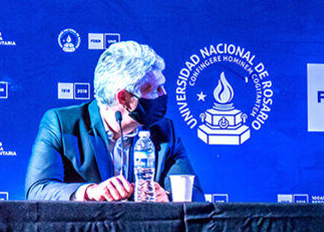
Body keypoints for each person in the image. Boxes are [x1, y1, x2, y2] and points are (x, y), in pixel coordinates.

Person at [25, 40, 203, 202]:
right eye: (154, 89)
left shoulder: (164, 131)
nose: (164, 94)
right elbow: (38, 189)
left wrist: (169, 197)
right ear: (123, 98)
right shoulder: (62, 124)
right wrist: (89, 191)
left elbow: (193, 193)